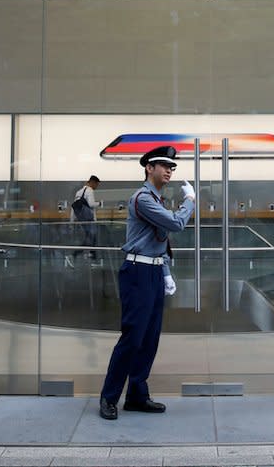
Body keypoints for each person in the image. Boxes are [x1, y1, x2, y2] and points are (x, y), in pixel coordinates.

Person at [99, 145, 195, 421]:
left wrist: (164, 271)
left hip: (152, 273)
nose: (169, 170)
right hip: (137, 274)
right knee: (132, 338)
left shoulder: (157, 200)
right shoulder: (143, 199)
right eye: (164, 165)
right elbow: (176, 225)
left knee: (149, 339)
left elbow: (159, 241)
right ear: (148, 168)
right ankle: (109, 397)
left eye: (172, 167)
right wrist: (189, 201)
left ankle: (137, 396)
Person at [71, 175, 100, 262]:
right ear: (92, 182)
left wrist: (72, 221)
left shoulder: (78, 192)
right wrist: (99, 204)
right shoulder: (90, 190)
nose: (96, 187)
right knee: (92, 237)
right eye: (96, 185)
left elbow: (74, 207)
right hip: (89, 219)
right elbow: (91, 204)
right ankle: (90, 255)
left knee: (89, 238)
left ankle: (88, 254)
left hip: (82, 220)